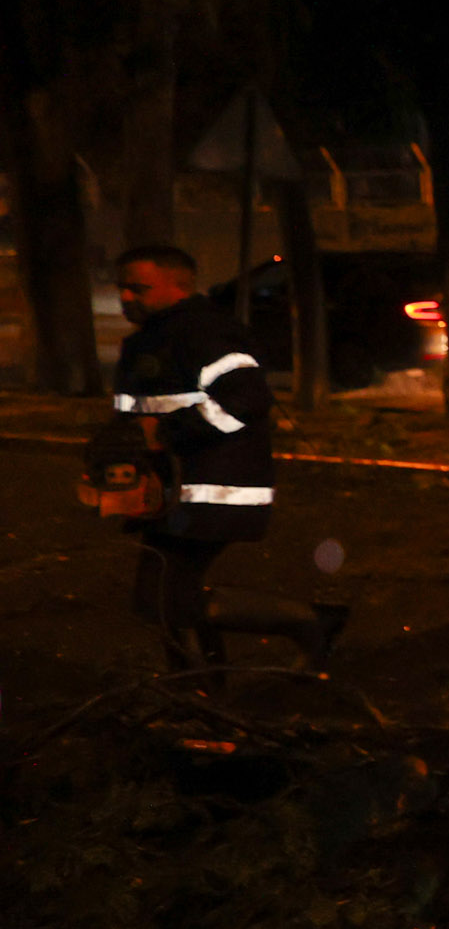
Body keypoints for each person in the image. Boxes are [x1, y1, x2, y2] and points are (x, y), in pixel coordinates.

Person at [109, 244, 342, 691]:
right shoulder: (151, 339)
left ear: (180, 285)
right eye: (121, 287)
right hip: (172, 490)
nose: (125, 297)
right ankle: (201, 685)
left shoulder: (203, 332)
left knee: (165, 597)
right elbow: (135, 420)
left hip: (212, 489)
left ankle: (208, 687)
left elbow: (246, 400)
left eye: (138, 287)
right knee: (165, 597)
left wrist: (169, 435)